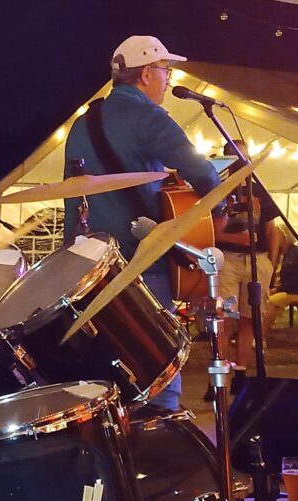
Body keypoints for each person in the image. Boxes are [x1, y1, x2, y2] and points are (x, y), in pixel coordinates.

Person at [64, 35, 221, 411]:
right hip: (140, 265)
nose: (168, 79)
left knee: (109, 373)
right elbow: (204, 174)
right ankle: (161, 434)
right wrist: (219, 207)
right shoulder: (149, 117)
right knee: (158, 367)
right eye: (166, 71)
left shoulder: (82, 124)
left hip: (86, 268)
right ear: (147, 73)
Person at [212, 140, 282, 397]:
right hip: (228, 259)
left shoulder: (258, 188)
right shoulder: (217, 188)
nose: (241, 161)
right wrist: (235, 239)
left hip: (256, 260)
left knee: (249, 318)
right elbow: (210, 229)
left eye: (244, 156)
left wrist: (271, 262)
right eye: (235, 156)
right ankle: (218, 378)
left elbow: (272, 230)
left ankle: (241, 373)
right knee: (224, 319)